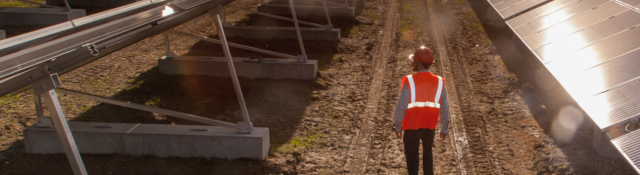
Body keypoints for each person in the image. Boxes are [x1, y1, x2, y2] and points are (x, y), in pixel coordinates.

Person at [393, 46, 450, 175]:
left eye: (414, 61)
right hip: (429, 126)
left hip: (411, 127)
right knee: (428, 156)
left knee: (412, 159)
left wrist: (398, 125)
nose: (412, 63)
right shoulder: (440, 82)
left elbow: (402, 106)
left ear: (419, 64)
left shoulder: (409, 81)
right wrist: (444, 127)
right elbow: (444, 107)